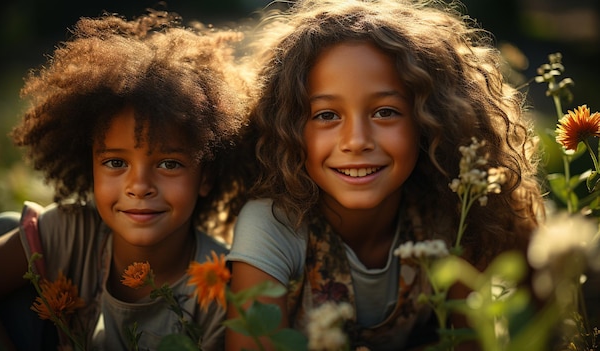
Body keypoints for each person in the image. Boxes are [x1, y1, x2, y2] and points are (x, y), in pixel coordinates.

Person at [226, 0, 544, 350]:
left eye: (385, 111)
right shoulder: (271, 226)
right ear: (287, 127)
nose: (357, 141)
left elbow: (473, 341)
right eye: (327, 115)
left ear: (430, 120)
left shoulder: (451, 213)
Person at [0, 9, 251, 351]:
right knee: (3, 227)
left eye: (168, 163)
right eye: (116, 162)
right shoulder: (70, 232)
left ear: (206, 176)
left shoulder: (224, 284)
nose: (139, 185)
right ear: (88, 165)